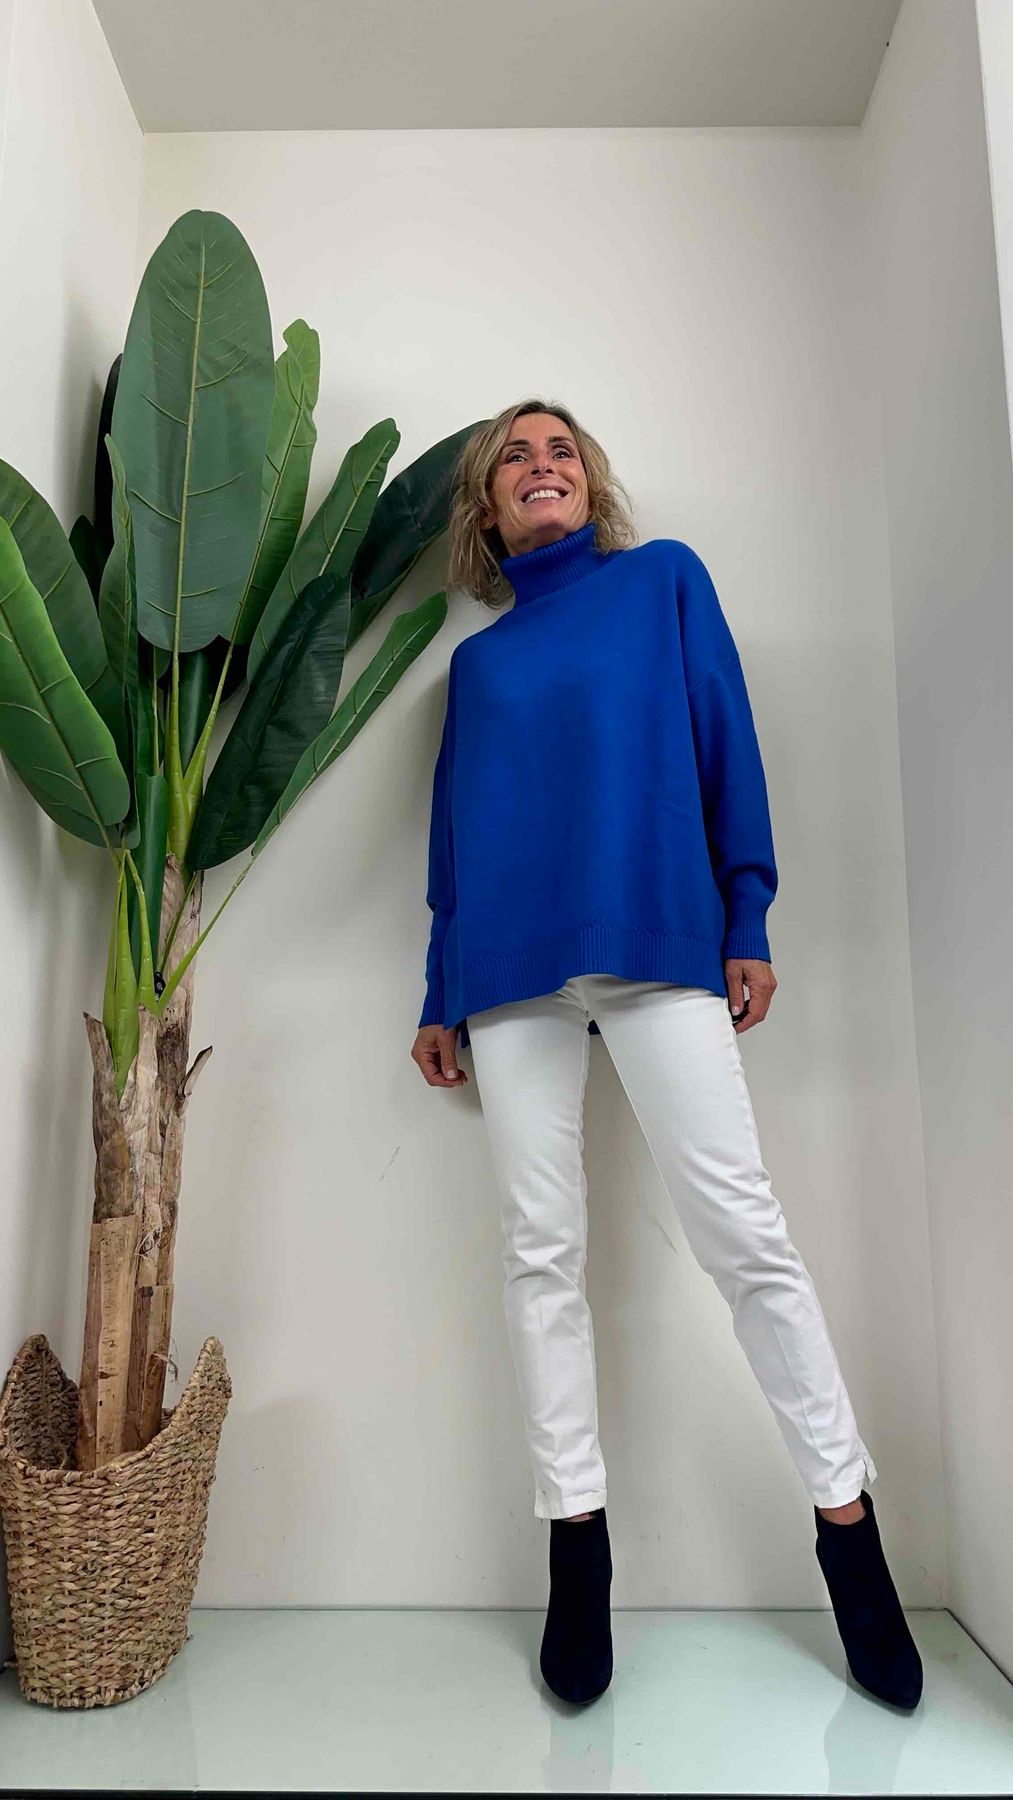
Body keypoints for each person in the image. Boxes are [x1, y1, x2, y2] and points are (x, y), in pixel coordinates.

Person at [410, 398, 922, 1712]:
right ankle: (575, 1551)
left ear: (589, 485)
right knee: (539, 1255)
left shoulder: (662, 584)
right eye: (514, 456)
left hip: (653, 928)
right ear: (485, 508)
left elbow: (722, 740)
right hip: (508, 971)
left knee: (741, 1234)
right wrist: (437, 991)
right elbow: (456, 844)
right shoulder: (478, 668)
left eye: (560, 451)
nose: (539, 466)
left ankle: (848, 1529)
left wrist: (747, 909)